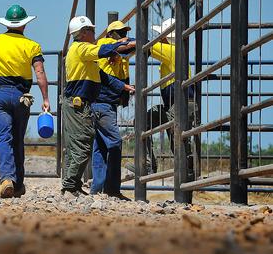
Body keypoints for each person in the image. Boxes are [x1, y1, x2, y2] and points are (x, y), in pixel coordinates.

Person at [0, 4, 50, 198]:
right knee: (18, 139)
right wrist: (45, 98)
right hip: (21, 96)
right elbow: (40, 73)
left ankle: (6, 179)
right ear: (24, 25)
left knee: (3, 138)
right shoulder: (32, 46)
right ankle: (18, 185)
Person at [62, 16, 135, 197]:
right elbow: (103, 50)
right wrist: (121, 45)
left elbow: (103, 76)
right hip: (78, 103)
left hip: (81, 103)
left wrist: (122, 86)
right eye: (92, 30)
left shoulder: (81, 51)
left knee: (82, 144)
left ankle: (74, 185)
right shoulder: (82, 48)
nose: (95, 34)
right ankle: (70, 186)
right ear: (84, 32)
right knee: (82, 145)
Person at [142, 18, 198, 181]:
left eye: (161, 35)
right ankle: (148, 164)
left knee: (178, 139)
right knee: (143, 121)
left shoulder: (172, 50)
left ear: (167, 37)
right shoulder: (174, 51)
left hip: (182, 104)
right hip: (175, 104)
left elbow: (145, 46)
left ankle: (187, 172)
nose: (159, 38)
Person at [91, 20, 134, 200]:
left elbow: (129, 47)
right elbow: (129, 44)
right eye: (119, 32)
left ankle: (98, 188)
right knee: (115, 143)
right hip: (102, 103)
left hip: (107, 103)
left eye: (124, 31)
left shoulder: (120, 55)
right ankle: (112, 189)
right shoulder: (103, 44)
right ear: (109, 34)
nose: (122, 35)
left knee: (100, 145)